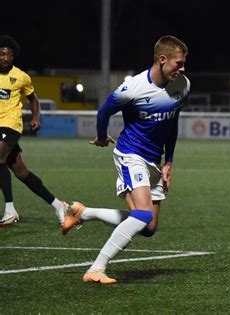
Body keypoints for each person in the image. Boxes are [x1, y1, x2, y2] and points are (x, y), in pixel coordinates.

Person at [61, 35, 190, 284]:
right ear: (162, 60)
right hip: (131, 155)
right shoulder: (133, 88)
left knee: (148, 227)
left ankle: (83, 213)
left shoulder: (183, 86)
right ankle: (96, 268)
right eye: (178, 63)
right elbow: (104, 111)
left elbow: (173, 124)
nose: (182, 69)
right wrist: (100, 136)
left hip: (154, 160)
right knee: (142, 214)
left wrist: (169, 162)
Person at [0, 35, 68, 226]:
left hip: (11, 125)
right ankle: (57, 205)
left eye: (9, 55)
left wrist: (36, 117)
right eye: (2, 54)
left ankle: (10, 209)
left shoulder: (21, 77)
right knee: (22, 172)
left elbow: (33, 99)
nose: (6, 58)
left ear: (14, 57)